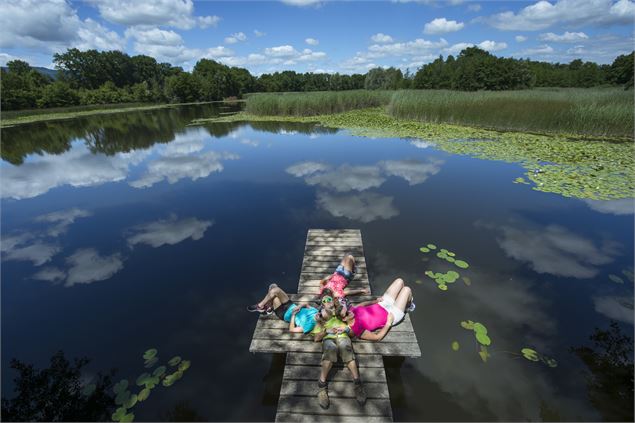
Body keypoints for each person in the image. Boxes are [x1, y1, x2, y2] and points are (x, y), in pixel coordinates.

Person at [313, 292, 366, 409]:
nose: (328, 302)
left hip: (343, 337)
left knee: (346, 349)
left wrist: (346, 329)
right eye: (324, 301)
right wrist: (326, 331)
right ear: (322, 306)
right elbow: (316, 338)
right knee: (330, 349)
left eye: (329, 299)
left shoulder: (343, 315)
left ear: (334, 301)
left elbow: (353, 333)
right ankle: (322, 386)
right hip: (329, 339)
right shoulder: (321, 319)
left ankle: (357, 383)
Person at [346, 278, 415, 341]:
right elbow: (377, 337)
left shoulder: (351, 311)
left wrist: (375, 301)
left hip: (383, 304)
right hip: (392, 314)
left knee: (399, 281)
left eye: (347, 310)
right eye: (347, 313)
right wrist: (388, 323)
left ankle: (401, 302)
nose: (349, 311)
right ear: (344, 319)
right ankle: (408, 306)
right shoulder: (356, 328)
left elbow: (362, 304)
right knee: (406, 290)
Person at [247, 284, 318, 333]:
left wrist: (293, 315)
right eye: (320, 312)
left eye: (320, 315)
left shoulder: (310, 325)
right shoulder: (316, 311)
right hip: (290, 305)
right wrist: (300, 306)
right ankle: (264, 307)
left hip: (284, 314)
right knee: (274, 287)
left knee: (272, 291)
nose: (319, 314)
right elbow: (306, 305)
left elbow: (292, 329)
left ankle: (264, 307)